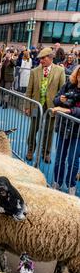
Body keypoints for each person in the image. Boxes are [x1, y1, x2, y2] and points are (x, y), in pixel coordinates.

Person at [25, 47, 65, 163]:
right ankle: (30, 150)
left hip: (51, 107)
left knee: (49, 131)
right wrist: (27, 106)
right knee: (33, 130)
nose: (41, 61)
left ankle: (46, 152)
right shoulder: (34, 71)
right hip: (36, 105)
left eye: (43, 58)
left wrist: (59, 106)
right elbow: (29, 90)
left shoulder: (59, 71)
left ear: (50, 58)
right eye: (40, 58)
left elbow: (61, 90)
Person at [52, 65, 80, 195]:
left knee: (73, 161)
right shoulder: (68, 85)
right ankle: (57, 182)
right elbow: (55, 100)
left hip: (78, 132)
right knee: (59, 158)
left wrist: (67, 110)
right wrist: (60, 100)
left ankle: (71, 186)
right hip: (64, 128)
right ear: (77, 75)